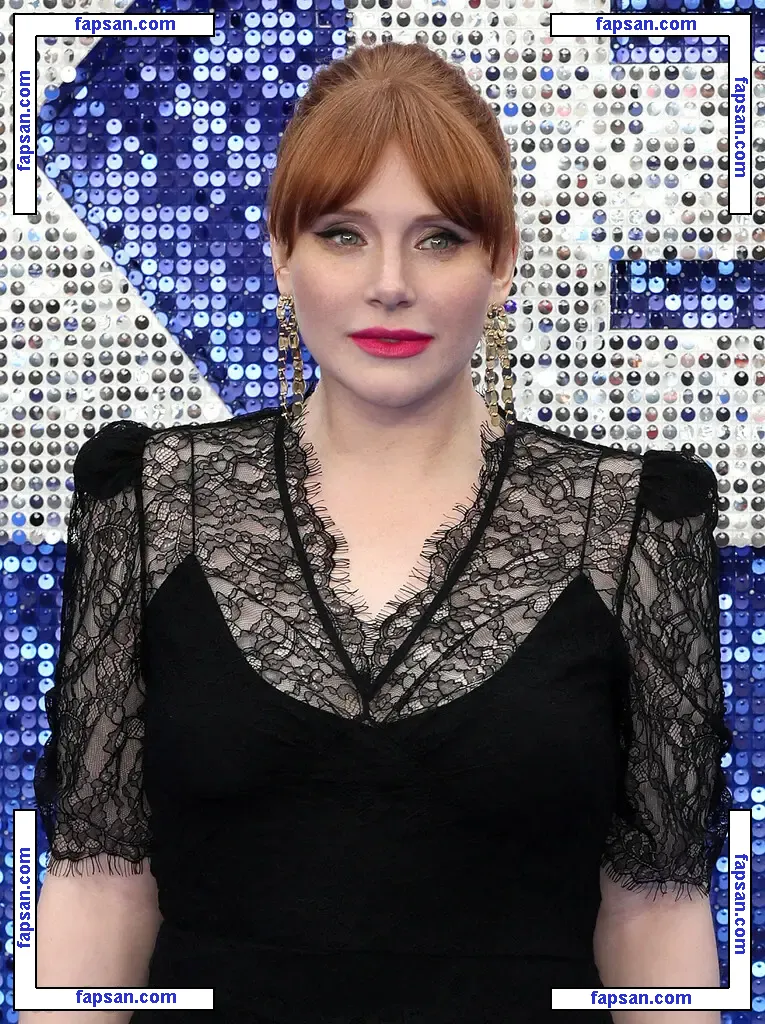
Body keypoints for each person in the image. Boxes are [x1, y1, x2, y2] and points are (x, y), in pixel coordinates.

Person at [29, 40, 732, 1024]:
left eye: (439, 237)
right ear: (282, 253)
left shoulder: (632, 524)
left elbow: (654, 909)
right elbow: (100, 886)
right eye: (342, 234)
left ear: (502, 262)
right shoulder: (148, 503)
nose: (390, 282)